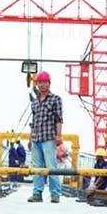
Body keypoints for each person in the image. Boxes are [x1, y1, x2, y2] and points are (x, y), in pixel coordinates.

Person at [27, 71, 64, 203]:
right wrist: (30, 139)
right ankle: (37, 193)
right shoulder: (34, 103)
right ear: (36, 84)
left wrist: (59, 135)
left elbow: (59, 119)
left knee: (51, 166)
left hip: (49, 137)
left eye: (44, 82)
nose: (42, 85)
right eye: (39, 82)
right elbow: (33, 122)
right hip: (36, 138)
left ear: (49, 83)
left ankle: (55, 194)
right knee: (37, 167)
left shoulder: (56, 99)